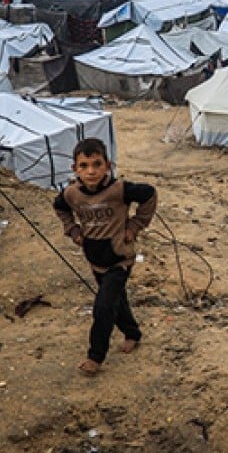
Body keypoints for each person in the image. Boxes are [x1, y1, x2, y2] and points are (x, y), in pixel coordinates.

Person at [53, 138, 157, 376]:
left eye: (97, 164)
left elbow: (149, 194)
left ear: (107, 165)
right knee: (116, 300)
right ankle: (133, 333)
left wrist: (134, 226)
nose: (91, 171)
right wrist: (73, 231)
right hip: (95, 260)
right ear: (75, 168)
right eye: (84, 165)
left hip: (120, 259)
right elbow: (60, 207)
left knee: (103, 307)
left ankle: (95, 356)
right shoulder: (71, 194)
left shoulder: (119, 189)